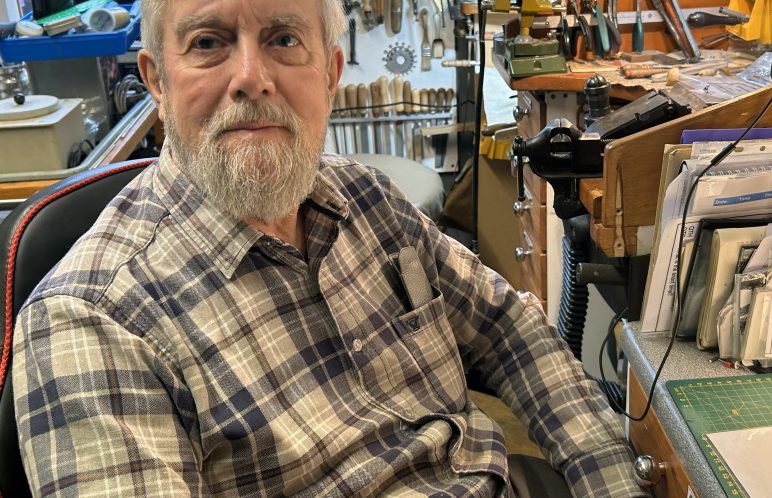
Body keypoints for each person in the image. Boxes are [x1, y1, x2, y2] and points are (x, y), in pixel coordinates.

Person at [12, 0, 648, 496]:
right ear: (155, 79)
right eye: (208, 43)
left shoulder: (366, 199)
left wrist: (611, 484)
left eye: (284, 40)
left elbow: (510, 330)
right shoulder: (89, 322)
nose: (250, 79)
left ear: (332, 73)